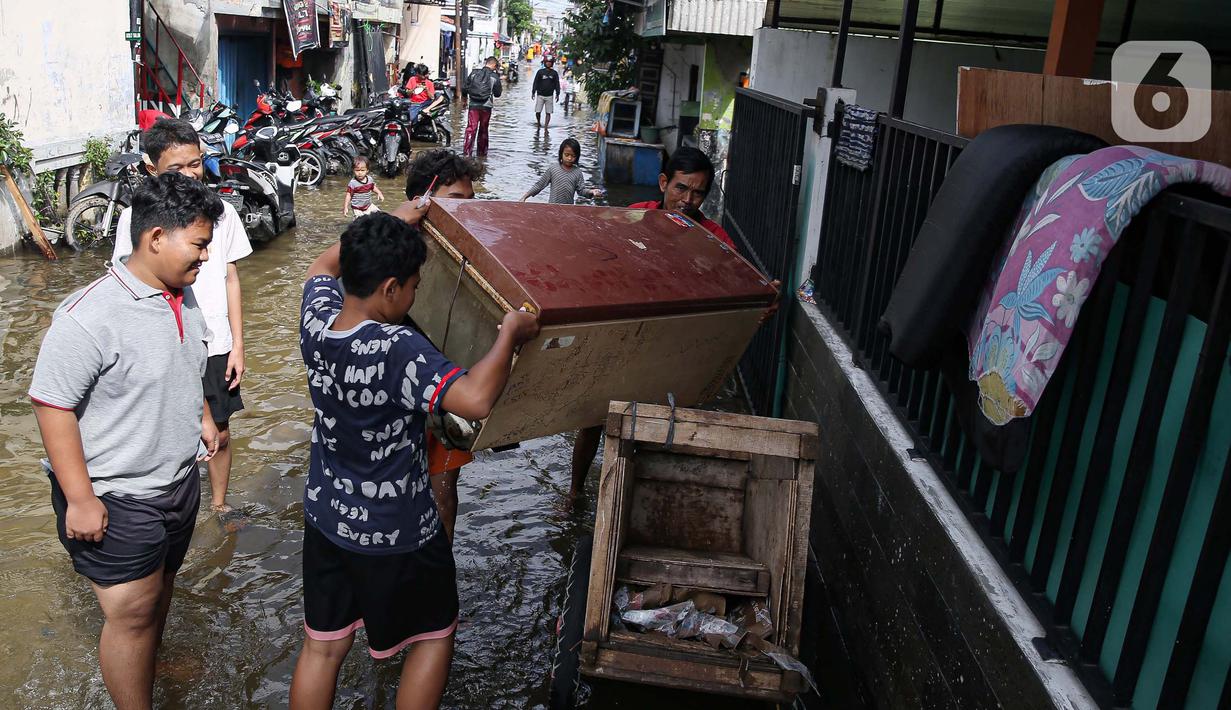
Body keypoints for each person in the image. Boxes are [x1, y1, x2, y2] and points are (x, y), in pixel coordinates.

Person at [288, 212, 539, 709]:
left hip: (326, 518)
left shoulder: (316, 318)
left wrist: (381, 225)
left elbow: (322, 263)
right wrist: (510, 333)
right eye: (413, 286)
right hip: (397, 531)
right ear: (389, 288)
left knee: (323, 646)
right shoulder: (396, 346)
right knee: (432, 635)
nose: (415, 296)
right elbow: (474, 399)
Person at [30, 172, 223, 709]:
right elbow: (51, 403)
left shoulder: (179, 295)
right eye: (200, 243)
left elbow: (180, 363)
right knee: (133, 612)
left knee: (159, 594)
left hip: (177, 480)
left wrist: (203, 415)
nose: (206, 257)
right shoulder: (87, 316)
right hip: (115, 492)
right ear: (155, 237)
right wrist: (82, 498)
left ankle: (146, 665)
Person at [567, 147, 779, 498]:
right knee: (592, 419)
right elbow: (597, 262)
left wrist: (764, 301)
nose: (688, 199)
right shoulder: (634, 216)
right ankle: (575, 492)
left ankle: (624, 500)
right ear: (664, 182)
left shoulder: (715, 239)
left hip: (672, 347)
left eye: (698, 193)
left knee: (649, 428)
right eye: (682, 188)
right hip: (622, 334)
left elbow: (742, 288)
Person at [112, 117, 251, 514]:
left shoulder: (221, 213)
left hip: (215, 341)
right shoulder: (134, 219)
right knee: (169, 429)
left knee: (221, 429)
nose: (190, 175)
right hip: (163, 343)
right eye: (177, 168)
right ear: (149, 166)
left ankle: (219, 505)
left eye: (195, 164)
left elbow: (230, 277)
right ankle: (173, 504)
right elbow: (129, 283)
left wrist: (238, 345)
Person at [395, 148, 484, 540]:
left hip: (446, 388)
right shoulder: (389, 242)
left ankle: (439, 580)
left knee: (445, 489)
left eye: (471, 201)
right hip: (396, 390)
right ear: (424, 199)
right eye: (455, 202)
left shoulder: (475, 252)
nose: (466, 211)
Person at [519, 137, 603, 204]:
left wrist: (592, 192)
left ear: (577, 157)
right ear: (561, 154)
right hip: (552, 207)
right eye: (567, 155)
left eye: (573, 156)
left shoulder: (577, 172)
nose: (569, 158)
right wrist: (525, 197)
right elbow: (539, 185)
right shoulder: (553, 169)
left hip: (568, 209)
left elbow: (581, 191)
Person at [462, 56, 503, 158]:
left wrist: (464, 100)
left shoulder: (474, 73)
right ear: (493, 65)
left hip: (473, 106)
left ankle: (467, 153)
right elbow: (498, 94)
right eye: (496, 66)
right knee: (483, 129)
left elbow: (465, 88)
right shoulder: (494, 77)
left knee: (471, 128)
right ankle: (482, 154)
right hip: (486, 107)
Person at [530, 55, 561, 127]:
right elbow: (535, 82)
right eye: (547, 62)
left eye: (550, 62)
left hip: (550, 95)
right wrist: (533, 92)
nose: (548, 63)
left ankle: (546, 127)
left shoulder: (554, 73)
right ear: (544, 62)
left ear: (552, 63)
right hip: (540, 95)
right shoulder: (540, 72)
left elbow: (557, 84)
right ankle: (538, 122)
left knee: (548, 112)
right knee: (538, 111)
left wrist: (558, 93)